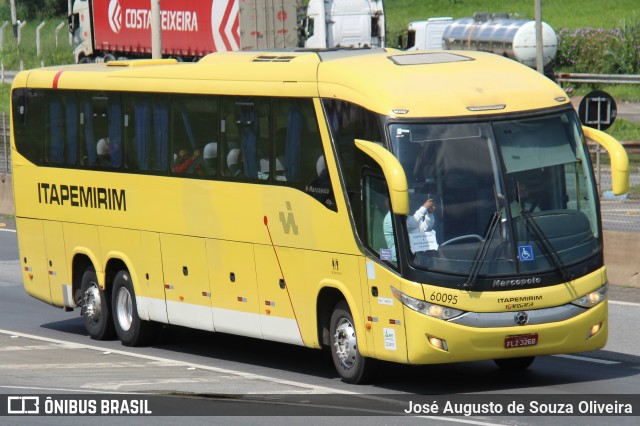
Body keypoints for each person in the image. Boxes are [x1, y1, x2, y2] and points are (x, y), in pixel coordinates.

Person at [383, 197, 438, 262]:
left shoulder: (403, 218)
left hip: (408, 260)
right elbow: (413, 223)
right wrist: (424, 207)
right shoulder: (391, 218)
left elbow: (423, 228)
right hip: (396, 261)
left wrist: (430, 214)